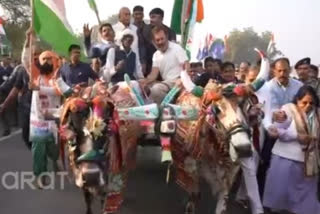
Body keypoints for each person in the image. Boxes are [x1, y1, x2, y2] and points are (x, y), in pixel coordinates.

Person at [263, 85, 320, 214]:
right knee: (282, 196)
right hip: (285, 159)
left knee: (307, 198)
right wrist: (296, 136)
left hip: (309, 162)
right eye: (304, 102)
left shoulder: (317, 113)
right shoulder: (288, 110)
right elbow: (276, 130)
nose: (308, 106)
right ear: (297, 101)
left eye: (311, 102)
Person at [256, 57, 303, 197]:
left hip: (294, 132)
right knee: (266, 162)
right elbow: (262, 108)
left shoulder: (299, 86)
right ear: (273, 71)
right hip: (273, 131)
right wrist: (273, 113)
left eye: (285, 70)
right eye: (279, 70)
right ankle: (262, 195)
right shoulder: (267, 87)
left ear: (290, 70)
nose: (282, 73)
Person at [27, 50, 62, 187]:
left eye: (50, 59)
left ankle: (54, 160)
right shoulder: (35, 75)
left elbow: (58, 91)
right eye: (44, 59)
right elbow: (26, 59)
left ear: (54, 61)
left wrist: (39, 88)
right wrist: (28, 41)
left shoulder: (58, 76)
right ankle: (40, 175)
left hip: (54, 117)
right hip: (38, 119)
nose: (47, 62)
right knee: (38, 148)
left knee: (53, 148)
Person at [140, 26, 188, 104]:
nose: (160, 42)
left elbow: (186, 66)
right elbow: (153, 74)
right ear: (153, 42)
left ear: (167, 37)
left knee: (156, 89)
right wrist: (144, 81)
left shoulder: (177, 49)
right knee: (145, 89)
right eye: (157, 40)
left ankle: (170, 103)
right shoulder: (156, 55)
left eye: (162, 39)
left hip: (178, 82)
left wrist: (182, 79)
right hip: (166, 84)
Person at [142, 8, 176, 76]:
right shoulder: (146, 29)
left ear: (161, 18)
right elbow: (142, 47)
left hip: (166, 65)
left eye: (153, 17)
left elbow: (173, 48)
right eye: (150, 17)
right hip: (149, 65)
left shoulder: (170, 32)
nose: (151, 20)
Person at [113, 7, 142, 76]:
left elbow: (136, 49)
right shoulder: (113, 29)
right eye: (126, 14)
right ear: (119, 16)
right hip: (119, 67)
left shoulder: (135, 29)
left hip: (133, 62)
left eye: (129, 14)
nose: (128, 17)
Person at [132, 5, 147, 75]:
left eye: (140, 14)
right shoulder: (130, 30)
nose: (138, 16)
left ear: (143, 15)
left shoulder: (149, 29)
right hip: (134, 62)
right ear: (133, 15)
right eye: (136, 14)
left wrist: (144, 62)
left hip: (150, 62)